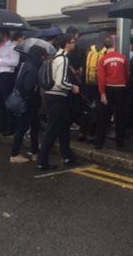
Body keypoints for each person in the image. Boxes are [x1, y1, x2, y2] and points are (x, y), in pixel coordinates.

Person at [38, 33, 80, 170]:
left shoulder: (55, 56)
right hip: (58, 97)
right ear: (67, 43)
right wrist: (72, 87)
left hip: (51, 95)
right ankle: (42, 160)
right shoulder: (63, 59)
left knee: (63, 128)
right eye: (73, 42)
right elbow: (61, 82)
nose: (75, 44)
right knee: (52, 129)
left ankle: (68, 156)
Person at [10, 46, 44, 164]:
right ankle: (14, 154)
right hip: (29, 103)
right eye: (41, 56)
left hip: (25, 101)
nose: (42, 59)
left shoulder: (24, 64)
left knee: (35, 127)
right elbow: (29, 87)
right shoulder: (32, 69)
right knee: (23, 128)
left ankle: (35, 152)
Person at [96, 37, 130, 149]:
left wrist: (102, 93)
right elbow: (126, 75)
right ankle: (120, 142)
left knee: (104, 116)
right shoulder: (123, 58)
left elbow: (101, 78)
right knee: (120, 116)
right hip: (121, 88)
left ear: (105, 46)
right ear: (114, 45)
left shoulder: (102, 59)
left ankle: (99, 142)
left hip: (108, 88)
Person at [0, 30, 19, 135]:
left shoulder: (13, 47)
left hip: (6, 76)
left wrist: (0, 60)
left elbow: (14, 63)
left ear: (5, 35)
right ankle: (1, 126)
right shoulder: (1, 47)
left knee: (7, 102)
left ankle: (10, 127)